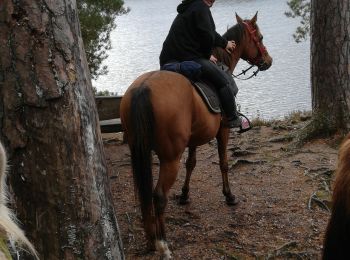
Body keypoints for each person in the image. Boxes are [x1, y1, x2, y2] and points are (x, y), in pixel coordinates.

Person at [160, 0, 250, 129]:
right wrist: (207, 55)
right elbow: (207, 35)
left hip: (168, 60)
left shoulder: (189, 7)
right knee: (224, 81)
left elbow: (208, 32)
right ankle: (233, 118)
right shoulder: (201, 8)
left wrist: (225, 43)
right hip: (189, 59)